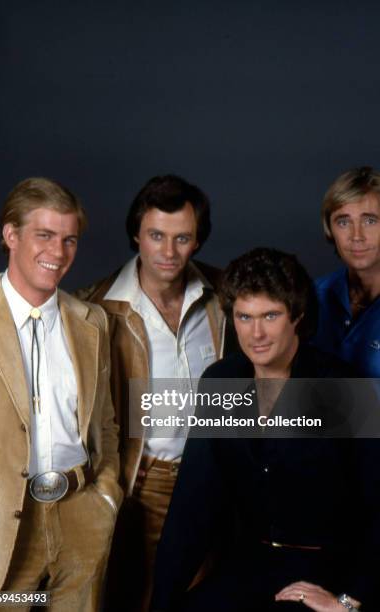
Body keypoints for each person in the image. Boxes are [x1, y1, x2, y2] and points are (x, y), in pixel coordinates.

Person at [150, 248, 380, 612]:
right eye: (244, 316)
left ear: (297, 317)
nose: (255, 333)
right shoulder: (220, 382)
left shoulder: (343, 386)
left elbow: (377, 508)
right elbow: (192, 507)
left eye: (270, 315)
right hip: (247, 565)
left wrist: (348, 600)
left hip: (327, 573)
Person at [79, 174, 234, 611]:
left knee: (205, 598)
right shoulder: (95, 309)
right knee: (138, 597)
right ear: (136, 235)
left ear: (198, 240)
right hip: (144, 483)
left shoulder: (226, 296)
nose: (168, 252)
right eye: (156, 236)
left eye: (182, 238)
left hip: (215, 478)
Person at [0, 178, 122, 612]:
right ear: (11, 235)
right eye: (44, 235)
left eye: (69, 239)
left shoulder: (92, 321)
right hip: (3, 526)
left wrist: (106, 498)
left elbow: (106, 423)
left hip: (82, 512)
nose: (58, 254)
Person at [313, 165, 380, 376]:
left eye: (370, 220)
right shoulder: (313, 296)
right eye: (343, 222)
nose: (356, 236)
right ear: (330, 229)